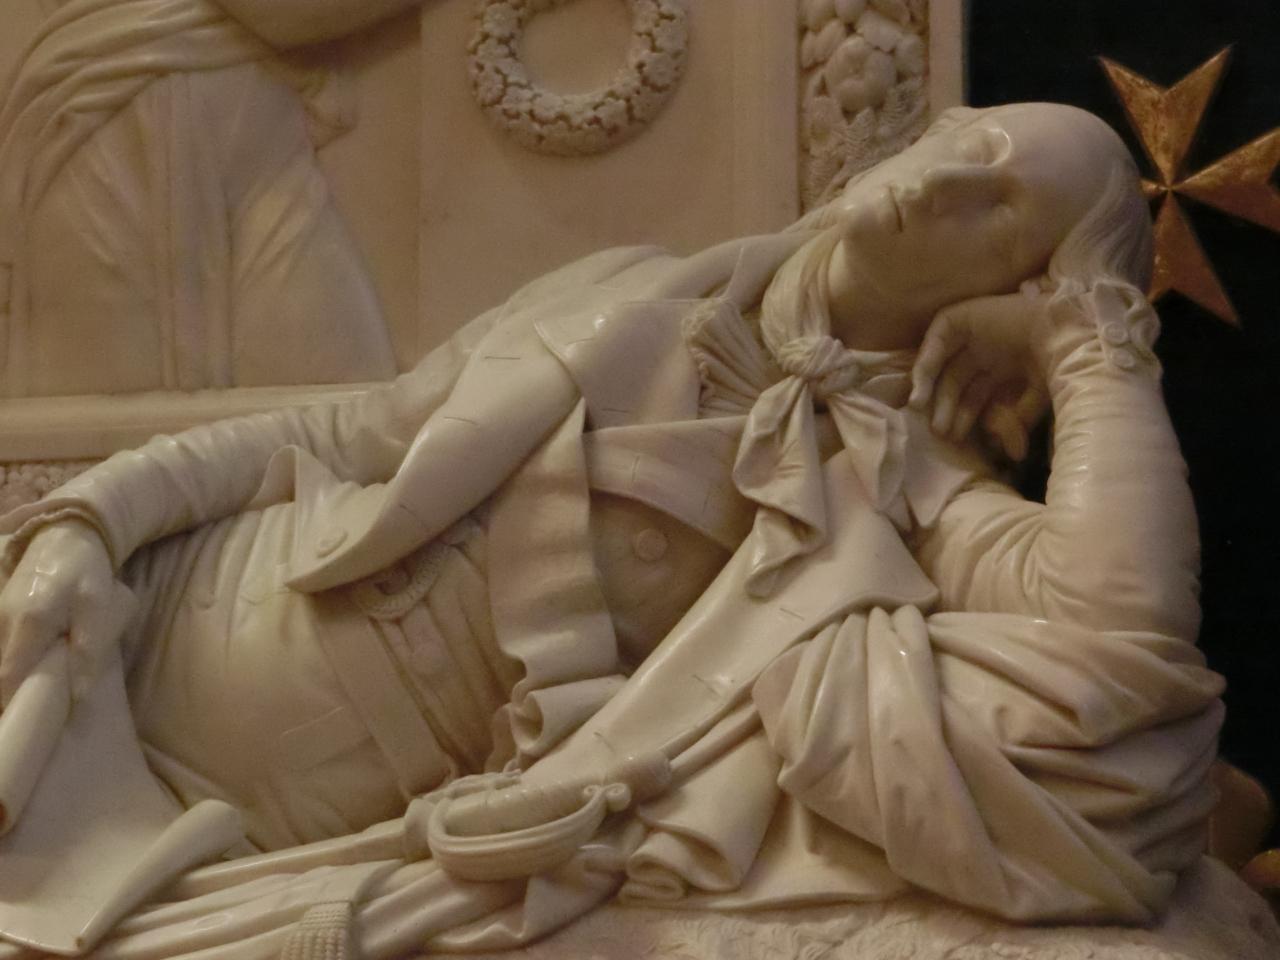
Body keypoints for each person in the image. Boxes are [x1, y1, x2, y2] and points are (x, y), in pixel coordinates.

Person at [0, 103, 1223, 956]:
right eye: (971, 140)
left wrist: (1087, 341)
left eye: (998, 211)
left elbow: (1119, 636)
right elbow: (345, 435)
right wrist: (94, 519)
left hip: (282, 818)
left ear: (1017, 284)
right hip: (158, 623)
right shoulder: (635, 288)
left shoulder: (906, 493)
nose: (945, 181)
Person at [0, 0, 406, 396]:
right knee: (108, 420)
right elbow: (276, 13)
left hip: (260, 146)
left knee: (343, 394)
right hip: (110, 129)